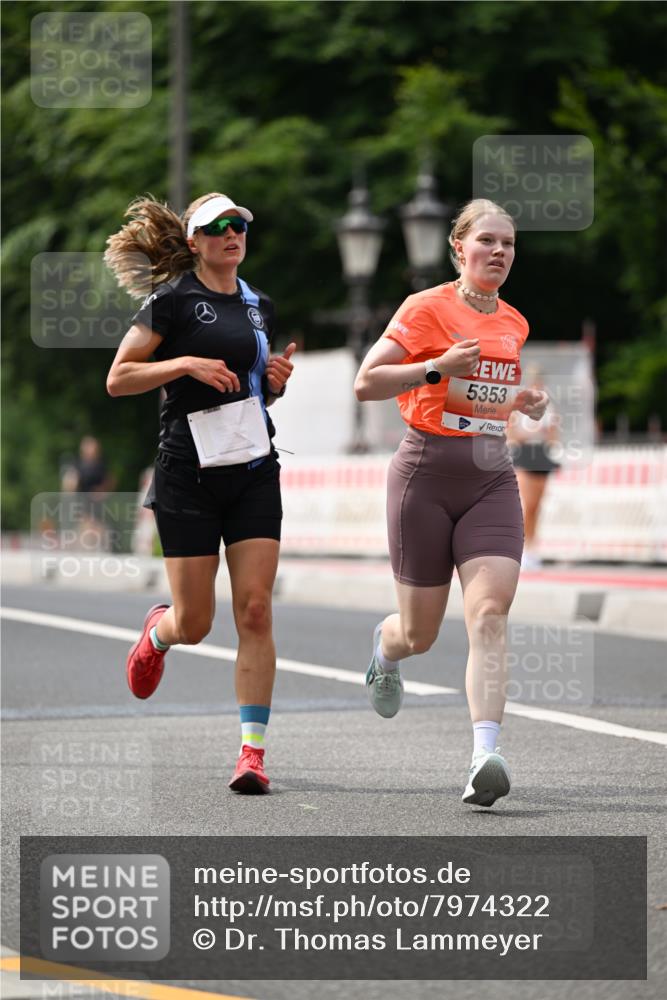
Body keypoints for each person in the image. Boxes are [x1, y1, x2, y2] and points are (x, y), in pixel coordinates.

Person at [354, 198, 548, 807]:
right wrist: (435, 366)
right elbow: (367, 382)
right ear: (459, 249)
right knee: (420, 633)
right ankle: (386, 650)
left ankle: (483, 755)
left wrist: (517, 403)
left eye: (509, 244)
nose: (499, 252)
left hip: (491, 472)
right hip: (424, 474)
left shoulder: (514, 323)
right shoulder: (425, 308)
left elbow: (481, 399)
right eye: (486, 241)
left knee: (489, 614)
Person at [104, 192, 295, 795]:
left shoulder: (258, 303)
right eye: (216, 228)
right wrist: (184, 363)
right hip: (187, 474)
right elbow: (119, 378)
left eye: (239, 224)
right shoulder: (171, 300)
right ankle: (160, 631)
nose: (231, 234)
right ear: (194, 242)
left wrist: (275, 383)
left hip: (253, 469)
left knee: (256, 610)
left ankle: (253, 754)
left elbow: (256, 390)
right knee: (197, 622)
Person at [506, 365, 560, 570]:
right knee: (527, 506)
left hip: (542, 454)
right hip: (525, 454)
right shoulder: (519, 408)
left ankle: (532, 548)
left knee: (537, 506)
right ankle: (521, 548)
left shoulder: (549, 407)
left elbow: (554, 436)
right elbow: (512, 435)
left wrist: (547, 434)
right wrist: (534, 432)